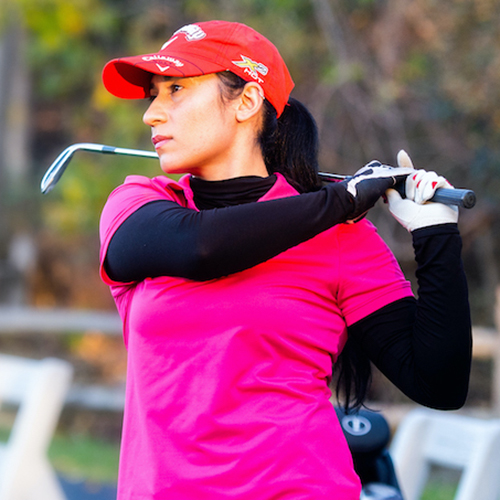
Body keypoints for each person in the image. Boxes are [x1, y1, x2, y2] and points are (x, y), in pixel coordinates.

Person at [99, 20, 471, 500]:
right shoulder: (139, 206)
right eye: (153, 94)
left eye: (175, 89)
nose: (152, 114)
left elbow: (438, 382)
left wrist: (435, 234)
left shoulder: (340, 238)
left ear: (247, 102)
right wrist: (340, 201)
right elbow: (200, 247)